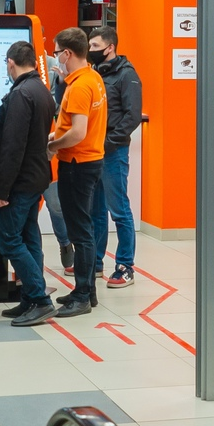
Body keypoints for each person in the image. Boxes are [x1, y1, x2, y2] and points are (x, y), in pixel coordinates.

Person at [0, 41, 58, 326]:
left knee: (8, 240)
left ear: (10, 63)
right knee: (29, 237)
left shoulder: (20, 94)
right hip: (36, 177)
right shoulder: (42, 90)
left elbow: (13, 146)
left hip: (20, 181)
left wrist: (2, 189)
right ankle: (30, 298)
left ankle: (40, 300)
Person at [47, 28, 108, 317]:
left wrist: (53, 146)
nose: (56, 57)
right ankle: (87, 291)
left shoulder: (81, 86)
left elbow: (78, 132)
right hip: (89, 161)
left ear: (67, 53)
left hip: (77, 163)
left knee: (80, 232)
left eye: (57, 52)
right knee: (84, 228)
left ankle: (83, 295)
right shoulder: (92, 78)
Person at [88, 26, 144, 288]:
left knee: (119, 210)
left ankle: (125, 266)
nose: (91, 50)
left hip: (113, 151)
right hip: (94, 150)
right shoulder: (96, 73)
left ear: (110, 47)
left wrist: (108, 143)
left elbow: (132, 117)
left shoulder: (127, 75)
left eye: (96, 46)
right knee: (96, 210)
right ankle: (95, 262)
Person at [43, 52, 74, 273]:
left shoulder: (52, 65)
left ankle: (65, 243)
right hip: (24, 148)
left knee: (55, 205)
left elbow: (60, 106)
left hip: (49, 147)